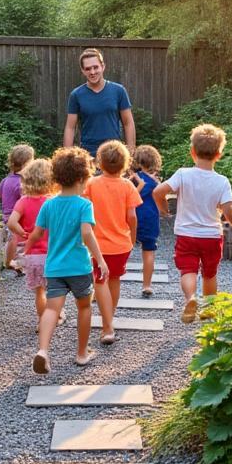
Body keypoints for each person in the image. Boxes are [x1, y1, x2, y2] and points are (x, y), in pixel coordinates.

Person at [152, 124, 232, 324]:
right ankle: (209, 309)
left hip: (186, 235)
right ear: (219, 154)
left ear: (192, 152)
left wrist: (164, 209)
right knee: (209, 273)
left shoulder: (183, 174)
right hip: (211, 236)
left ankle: (190, 298)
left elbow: (158, 192)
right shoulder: (222, 182)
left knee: (188, 270)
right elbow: (229, 213)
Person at [26, 147, 110, 373]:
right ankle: (82, 354)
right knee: (84, 307)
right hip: (79, 267)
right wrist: (100, 259)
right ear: (83, 178)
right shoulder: (84, 205)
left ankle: (43, 350)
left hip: (54, 268)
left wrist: (27, 248)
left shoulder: (49, 204)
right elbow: (86, 233)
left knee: (52, 309)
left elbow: (36, 233)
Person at [83, 140, 141, 345]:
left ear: (100, 162)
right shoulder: (127, 186)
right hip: (121, 244)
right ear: (125, 163)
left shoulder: (91, 184)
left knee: (99, 281)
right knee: (114, 279)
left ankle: (107, 327)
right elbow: (132, 217)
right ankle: (109, 320)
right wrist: (132, 238)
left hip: (97, 245)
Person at [7, 158, 55, 327]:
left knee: (39, 292)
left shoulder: (23, 201)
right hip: (52, 254)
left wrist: (23, 233)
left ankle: (42, 322)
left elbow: (11, 222)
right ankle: (54, 316)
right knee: (55, 291)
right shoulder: (52, 202)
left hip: (32, 256)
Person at [63, 48, 135, 156]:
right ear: (82, 71)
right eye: (87, 69)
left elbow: (128, 123)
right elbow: (70, 127)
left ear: (103, 66)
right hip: (88, 156)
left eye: (95, 67)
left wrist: (131, 152)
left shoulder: (119, 91)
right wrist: (67, 156)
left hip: (114, 154)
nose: (92, 72)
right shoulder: (76, 95)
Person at [0, 144, 35, 270]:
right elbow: (26, 202)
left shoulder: (6, 180)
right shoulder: (22, 183)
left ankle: (18, 261)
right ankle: (9, 262)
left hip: (8, 216)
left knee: (15, 238)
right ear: (26, 164)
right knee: (14, 238)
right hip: (16, 217)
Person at [130, 145, 163, 297]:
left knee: (122, 249)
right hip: (150, 218)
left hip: (132, 217)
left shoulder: (133, 179)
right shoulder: (156, 181)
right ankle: (146, 285)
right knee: (148, 252)